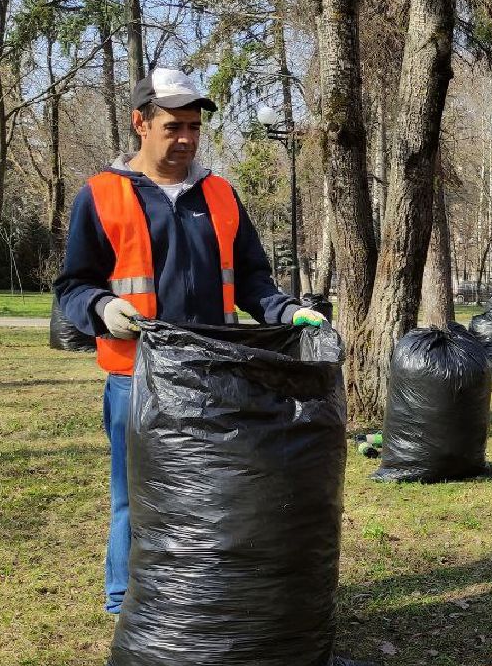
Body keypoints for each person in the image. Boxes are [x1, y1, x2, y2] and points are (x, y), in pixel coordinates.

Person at [55, 67, 326, 614]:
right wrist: (103, 307)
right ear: (140, 123)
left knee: (213, 491)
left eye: (194, 128)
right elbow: (71, 287)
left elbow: (251, 277)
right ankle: (124, 600)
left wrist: (287, 310)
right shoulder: (102, 195)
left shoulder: (220, 194)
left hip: (213, 374)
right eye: (173, 127)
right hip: (138, 376)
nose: (185, 139)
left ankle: (199, 593)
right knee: (136, 492)